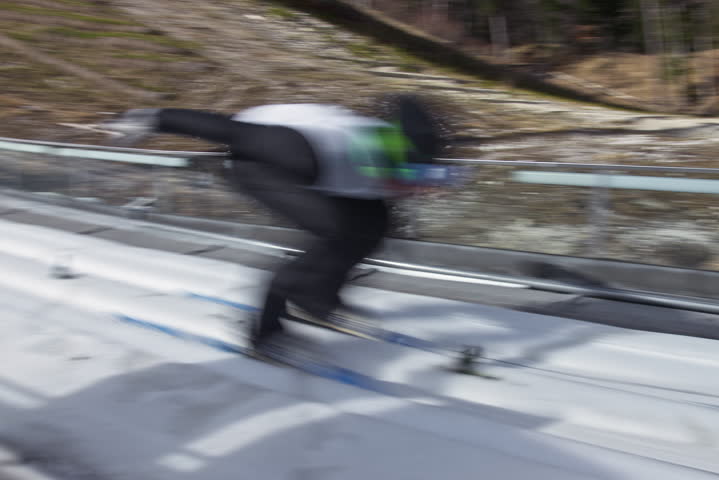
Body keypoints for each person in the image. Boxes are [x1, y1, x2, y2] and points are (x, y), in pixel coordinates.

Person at [102, 95, 463, 351]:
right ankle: (264, 330)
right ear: (389, 162)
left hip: (328, 170)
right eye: (411, 179)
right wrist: (152, 118)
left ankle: (319, 301)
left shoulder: (388, 154)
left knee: (375, 226)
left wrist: (433, 178)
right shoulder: (318, 147)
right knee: (333, 234)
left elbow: (432, 173)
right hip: (260, 161)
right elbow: (228, 130)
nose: (417, 190)